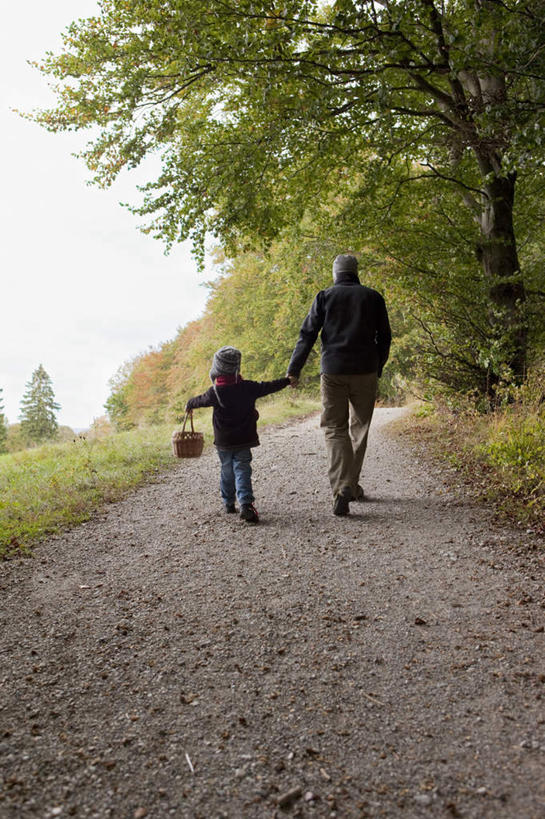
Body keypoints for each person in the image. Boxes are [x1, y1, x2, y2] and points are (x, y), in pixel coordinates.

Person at [287, 254, 391, 516]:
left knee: (334, 428)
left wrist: (294, 369)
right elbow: (385, 336)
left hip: (333, 370)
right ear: (355, 273)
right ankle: (351, 484)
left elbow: (307, 334)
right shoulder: (373, 297)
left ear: (335, 274)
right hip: (365, 369)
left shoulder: (324, 296)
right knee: (360, 428)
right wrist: (378, 366)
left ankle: (343, 487)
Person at [185, 346, 292, 523]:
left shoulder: (215, 392)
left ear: (217, 368)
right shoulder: (248, 387)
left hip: (224, 442)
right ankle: (246, 505)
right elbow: (269, 386)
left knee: (227, 471)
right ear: (237, 366)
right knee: (242, 469)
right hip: (244, 439)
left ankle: (228, 502)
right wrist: (287, 381)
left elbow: (199, 400)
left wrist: (189, 404)